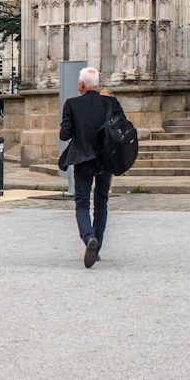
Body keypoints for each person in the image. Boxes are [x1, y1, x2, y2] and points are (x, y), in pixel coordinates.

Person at [58, 66, 123, 269]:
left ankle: (88, 239)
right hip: (106, 159)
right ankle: (97, 247)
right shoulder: (111, 103)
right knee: (101, 202)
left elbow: (64, 135)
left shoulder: (72, 104)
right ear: (97, 85)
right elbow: (122, 126)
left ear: (82, 84)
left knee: (82, 202)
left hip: (83, 159)